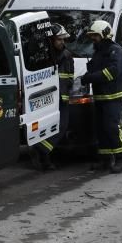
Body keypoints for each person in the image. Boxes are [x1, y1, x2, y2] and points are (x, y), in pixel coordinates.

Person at [81, 19, 122, 173]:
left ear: (105, 35)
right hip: (100, 97)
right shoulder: (98, 52)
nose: (92, 39)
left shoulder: (116, 51)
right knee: (101, 129)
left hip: (113, 97)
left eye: (95, 35)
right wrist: (87, 75)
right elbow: (95, 71)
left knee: (112, 127)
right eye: (92, 36)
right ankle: (106, 160)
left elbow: (112, 72)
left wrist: (91, 77)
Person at [31, 24, 74, 171]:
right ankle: (42, 152)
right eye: (59, 39)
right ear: (51, 40)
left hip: (59, 97)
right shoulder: (48, 55)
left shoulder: (64, 55)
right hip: (52, 97)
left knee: (58, 128)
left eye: (63, 39)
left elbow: (68, 78)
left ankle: (43, 154)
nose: (62, 42)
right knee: (57, 127)